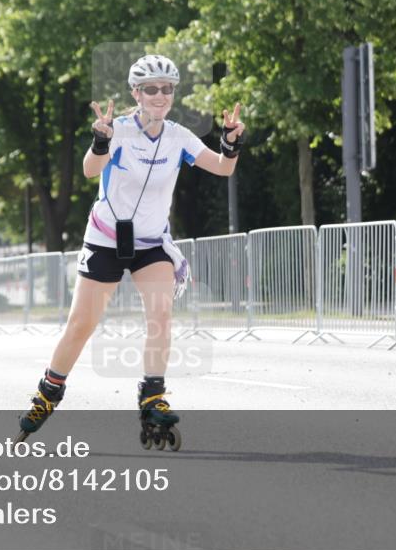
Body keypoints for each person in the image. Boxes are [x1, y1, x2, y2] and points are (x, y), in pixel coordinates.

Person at [15, 54, 245, 447]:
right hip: (105, 239)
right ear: (136, 93)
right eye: (151, 89)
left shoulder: (178, 136)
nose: (160, 95)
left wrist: (230, 142)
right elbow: (91, 169)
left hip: (151, 244)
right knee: (81, 326)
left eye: (167, 88)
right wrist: (101, 139)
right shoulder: (118, 129)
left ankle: (153, 395)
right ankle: (47, 394)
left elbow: (223, 168)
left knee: (160, 314)